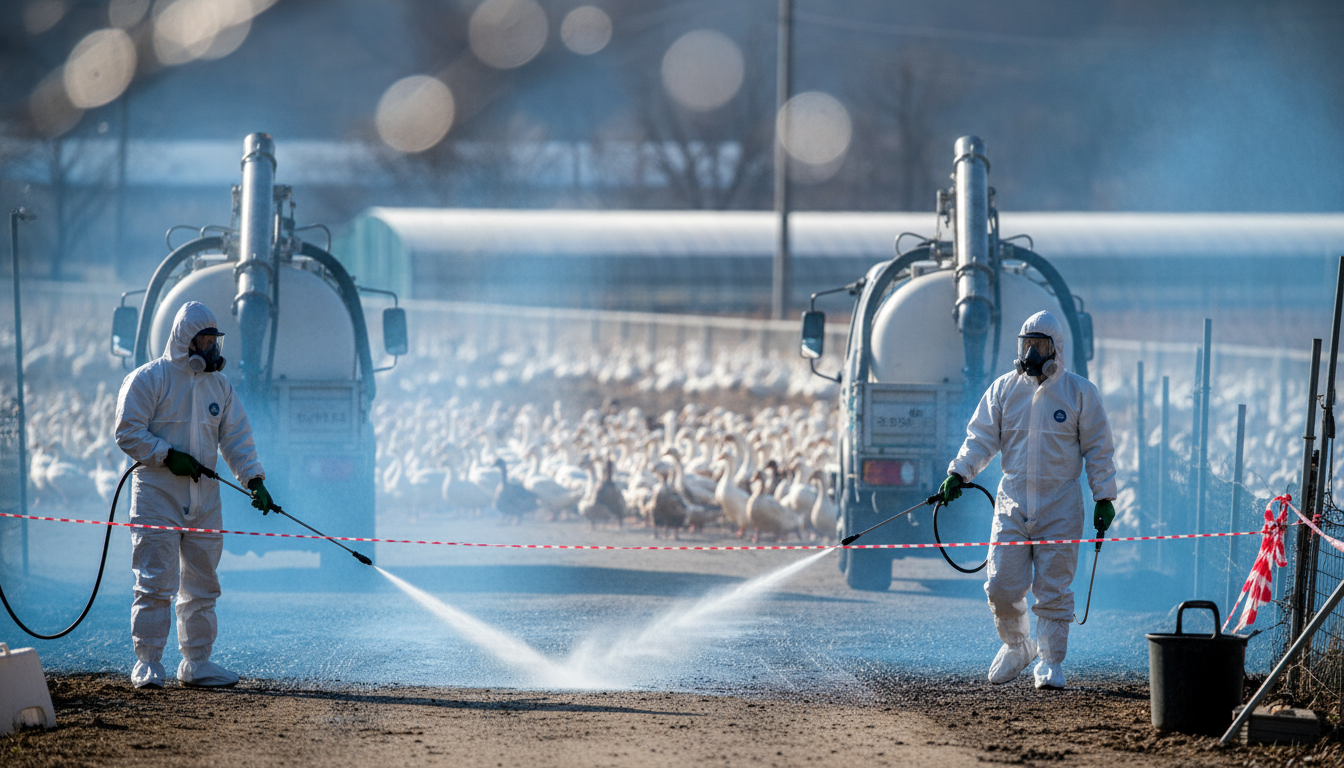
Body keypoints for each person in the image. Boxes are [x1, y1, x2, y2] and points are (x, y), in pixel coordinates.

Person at [938, 310, 1117, 690]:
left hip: (1061, 505)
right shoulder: (1005, 390)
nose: (1032, 353)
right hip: (1013, 503)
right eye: (1027, 345)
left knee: (1054, 588)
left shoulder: (1079, 393)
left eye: (1040, 345)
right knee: (1001, 584)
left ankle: (1051, 663)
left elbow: (1099, 449)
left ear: (1057, 349)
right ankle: (1019, 645)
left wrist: (1104, 495)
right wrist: (959, 472)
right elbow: (981, 438)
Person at [115, 301, 274, 689]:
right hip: (157, 495)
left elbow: (236, 437)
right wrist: (167, 456)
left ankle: (197, 663)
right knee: (155, 581)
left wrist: (254, 479)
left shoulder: (218, 385)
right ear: (185, 340)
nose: (210, 349)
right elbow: (127, 431)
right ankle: (149, 663)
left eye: (213, 341)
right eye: (203, 341)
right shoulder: (149, 379)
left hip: (205, 499)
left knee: (203, 584)